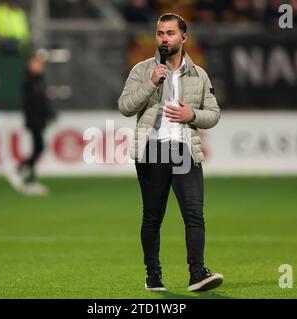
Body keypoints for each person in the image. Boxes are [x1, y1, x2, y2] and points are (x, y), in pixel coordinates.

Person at [118, 13, 223, 292]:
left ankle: (197, 273)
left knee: (194, 214)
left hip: (185, 150)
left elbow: (213, 115)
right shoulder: (142, 70)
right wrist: (150, 83)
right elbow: (125, 106)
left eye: (170, 33)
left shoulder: (199, 74)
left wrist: (192, 115)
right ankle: (153, 274)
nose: (164, 38)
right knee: (153, 217)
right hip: (153, 150)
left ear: (183, 38)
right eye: (160, 33)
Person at [17, 54, 54, 193]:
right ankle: (21, 169)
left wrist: (48, 113)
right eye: (35, 64)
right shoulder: (29, 80)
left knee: (38, 148)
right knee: (39, 147)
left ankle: (30, 177)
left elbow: (43, 101)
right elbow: (33, 102)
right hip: (34, 119)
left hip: (39, 119)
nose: (38, 66)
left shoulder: (39, 80)